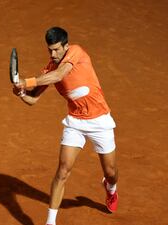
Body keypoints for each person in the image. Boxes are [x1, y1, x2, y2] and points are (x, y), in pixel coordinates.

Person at [13, 27, 119, 225]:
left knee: (111, 172)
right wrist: (21, 93)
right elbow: (32, 100)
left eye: (56, 49)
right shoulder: (49, 69)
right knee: (62, 171)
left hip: (100, 121)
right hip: (75, 123)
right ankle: (50, 222)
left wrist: (25, 82)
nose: (53, 54)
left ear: (65, 46)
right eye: (49, 50)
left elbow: (59, 75)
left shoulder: (76, 52)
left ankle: (111, 189)